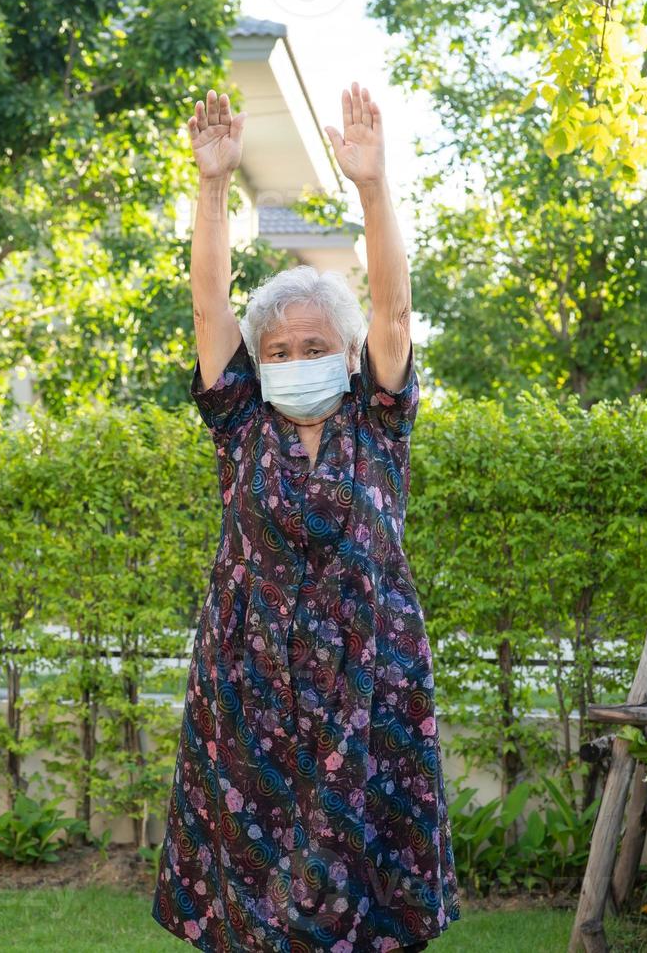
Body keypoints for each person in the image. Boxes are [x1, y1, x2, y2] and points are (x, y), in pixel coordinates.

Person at [150, 85, 460, 952]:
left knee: (365, 890)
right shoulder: (242, 426)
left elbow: (395, 307)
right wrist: (212, 186)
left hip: (372, 683)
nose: (294, 361)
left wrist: (373, 185)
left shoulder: (379, 424)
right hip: (249, 687)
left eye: (315, 347)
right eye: (278, 351)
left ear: (351, 356)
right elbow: (212, 308)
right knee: (254, 892)